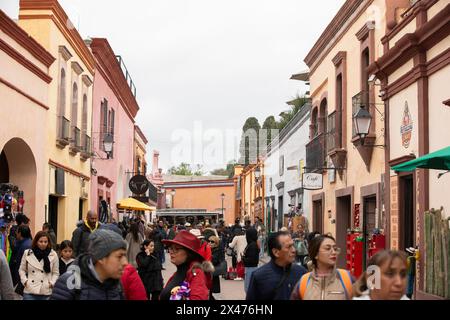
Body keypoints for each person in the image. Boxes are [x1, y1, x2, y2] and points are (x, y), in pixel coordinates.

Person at [51, 229, 128, 300]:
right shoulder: (69, 283)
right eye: (119, 256)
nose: (125, 262)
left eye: (125, 256)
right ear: (101, 257)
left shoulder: (116, 285)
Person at [246, 231, 307, 300]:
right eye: (289, 247)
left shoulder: (302, 273)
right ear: (276, 252)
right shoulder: (259, 276)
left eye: (293, 245)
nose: (294, 250)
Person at [290, 234, 353, 300]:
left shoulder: (346, 278)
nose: (334, 252)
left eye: (335, 249)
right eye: (328, 248)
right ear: (316, 254)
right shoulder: (304, 282)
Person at [159, 230, 213, 300]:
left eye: (176, 249)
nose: (171, 252)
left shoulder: (196, 273)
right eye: (171, 248)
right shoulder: (179, 272)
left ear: (188, 253)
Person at [19, 231, 59, 300]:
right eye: (41, 241)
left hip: (46, 291)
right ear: (36, 242)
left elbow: (56, 273)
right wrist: (25, 281)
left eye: (45, 242)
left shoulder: (53, 254)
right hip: (30, 291)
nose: (43, 244)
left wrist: (51, 283)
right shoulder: (28, 253)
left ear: (48, 242)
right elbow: (21, 269)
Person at [9, 224, 32, 292]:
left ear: (20, 233)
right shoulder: (24, 243)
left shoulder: (26, 246)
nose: (16, 233)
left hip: (23, 280)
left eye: (17, 232)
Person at [242, 227, 259, 293]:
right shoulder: (252, 244)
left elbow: (252, 259)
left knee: (249, 289)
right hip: (250, 268)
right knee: (248, 288)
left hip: (251, 269)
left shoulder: (253, 245)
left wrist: (243, 258)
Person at [207, 235, 225, 300]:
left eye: (212, 242)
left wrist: (209, 254)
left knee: (212, 291)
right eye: (209, 241)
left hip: (214, 272)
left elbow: (214, 260)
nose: (210, 243)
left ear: (216, 243)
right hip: (209, 272)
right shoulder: (209, 249)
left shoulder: (218, 250)